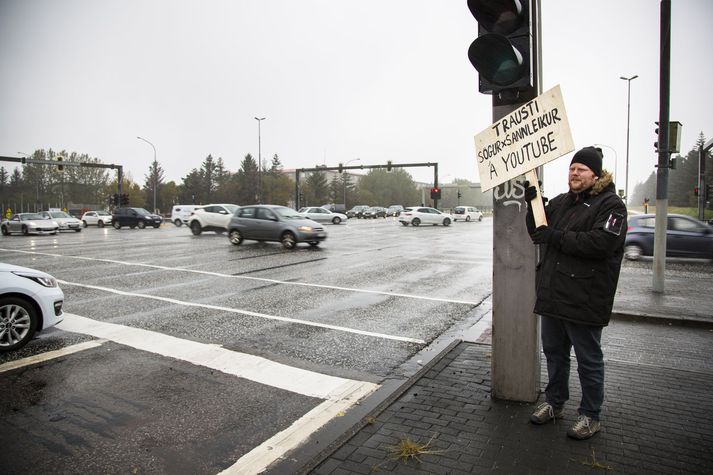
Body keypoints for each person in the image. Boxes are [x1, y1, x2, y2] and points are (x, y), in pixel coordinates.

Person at [523, 146, 627, 440]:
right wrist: (532, 205)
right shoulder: (562, 202)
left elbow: (601, 243)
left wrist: (555, 236)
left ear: (596, 174)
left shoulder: (612, 206)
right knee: (555, 354)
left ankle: (591, 416)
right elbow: (538, 231)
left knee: (588, 359)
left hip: (585, 297)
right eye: (572, 168)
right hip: (554, 294)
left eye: (581, 169)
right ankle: (555, 404)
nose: (575, 173)